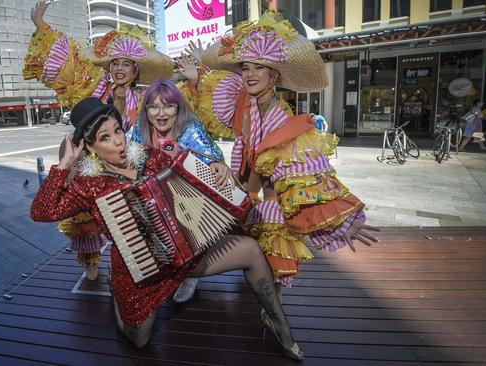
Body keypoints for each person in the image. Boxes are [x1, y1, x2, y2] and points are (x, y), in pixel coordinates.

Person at [30, 97, 304, 360]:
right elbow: (41, 212)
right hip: (140, 272)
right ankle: (117, 293)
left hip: (183, 257)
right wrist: (64, 166)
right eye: (105, 138)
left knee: (251, 250)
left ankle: (278, 322)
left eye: (118, 130)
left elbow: (191, 174)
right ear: (90, 147)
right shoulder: (88, 186)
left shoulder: (149, 158)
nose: (118, 141)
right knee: (139, 340)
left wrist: (217, 168)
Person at [182, 10, 379, 291]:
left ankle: (270, 315)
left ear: (273, 74)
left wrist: (342, 225)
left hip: (273, 201)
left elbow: (309, 183)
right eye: (246, 67)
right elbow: (220, 91)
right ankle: (196, 276)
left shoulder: (283, 122)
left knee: (273, 261)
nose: (250, 74)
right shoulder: (243, 101)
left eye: (258, 67)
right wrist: (198, 74)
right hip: (245, 189)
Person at [24, 1, 174, 280]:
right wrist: (40, 26)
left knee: (137, 225)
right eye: (114, 62)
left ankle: (139, 265)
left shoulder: (144, 100)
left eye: (126, 64)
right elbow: (67, 64)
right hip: (92, 167)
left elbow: (171, 115)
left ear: (135, 70)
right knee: (86, 221)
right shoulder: (92, 86)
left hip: (129, 169)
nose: (119, 68)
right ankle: (92, 261)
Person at [128, 78, 230, 302]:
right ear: (146, 110)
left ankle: (189, 274)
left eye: (168, 106)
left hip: (189, 199)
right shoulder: (139, 130)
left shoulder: (190, 128)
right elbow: (127, 160)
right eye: (154, 106)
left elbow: (213, 156)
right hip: (154, 199)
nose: (161, 113)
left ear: (178, 108)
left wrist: (216, 165)